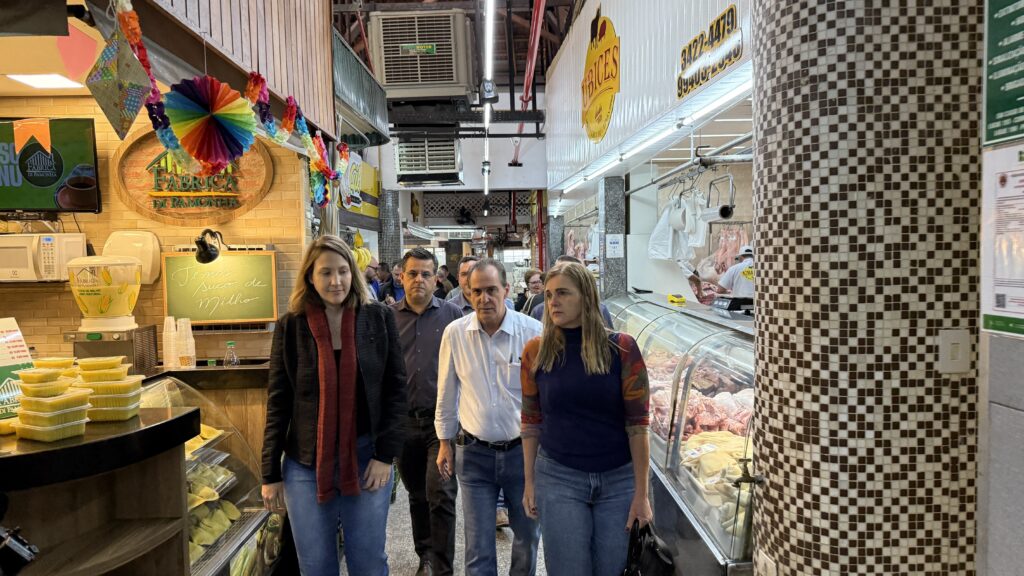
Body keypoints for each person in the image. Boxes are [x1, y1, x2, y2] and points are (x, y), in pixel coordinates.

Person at [261, 235, 407, 576]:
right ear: (310, 276)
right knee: (315, 565)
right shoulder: (291, 326)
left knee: (368, 563)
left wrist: (385, 456)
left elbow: (395, 391)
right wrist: (270, 473)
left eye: (343, 271)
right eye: (325, 272)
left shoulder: (378, 319)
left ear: (353, 273)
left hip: (367, 457)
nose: (335, 281)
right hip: (305, 464)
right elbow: (278, 401)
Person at [520, 262, 653, 575]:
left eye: (563, 293)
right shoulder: (535, 352)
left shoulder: (622, 349)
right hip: (558, 477)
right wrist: (529, 482)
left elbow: (638, 425)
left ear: (587, 297)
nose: (552, 301)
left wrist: (642, 494)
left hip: (618, 481)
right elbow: (530, 421)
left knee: (612, 568)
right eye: (550, 294)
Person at [435, 259, 543, 576]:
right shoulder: (455, 335)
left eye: (492, 290)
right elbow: (446, 392)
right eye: (477, 291)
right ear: (468, 294)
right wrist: (444, 442)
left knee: (526, 538)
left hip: (522, 455)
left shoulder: (532, 333)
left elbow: (546, 399)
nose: (484, 299)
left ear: (506, 290)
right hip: (474, 455)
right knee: (478, 546)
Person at [391, 248, 463, 576]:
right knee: (417, 494)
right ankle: (426, 555)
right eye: (412, 273)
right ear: (401, 277)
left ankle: (443, 567)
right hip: (404, 424)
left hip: (442, 426)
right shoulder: (388, 319)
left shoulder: (453, 317)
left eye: (425, 274)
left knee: (442, 493)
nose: (418, 279)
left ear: (436, 278)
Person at [529, 256, 614, 328]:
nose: (553, 303)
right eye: (549, 295)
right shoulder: (539, 311)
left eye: (562, 293)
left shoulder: (600, 310)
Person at [448, 255, 515, 314]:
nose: (468, 278)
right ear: (458, 277)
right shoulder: (449, 308)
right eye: (464, 274)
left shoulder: (507, 304)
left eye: (472, 273)